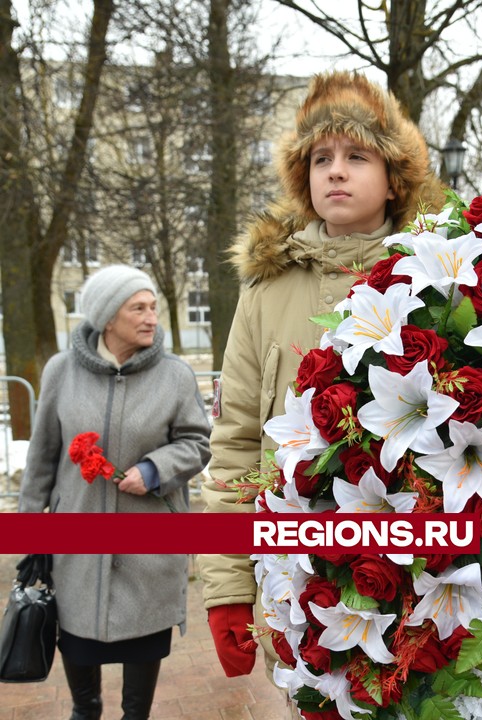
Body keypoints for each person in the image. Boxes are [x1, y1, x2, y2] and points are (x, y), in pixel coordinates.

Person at [196, 71, 441, 689]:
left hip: (422, 579)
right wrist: (226, 587)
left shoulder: (439, 271)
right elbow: (235, 442)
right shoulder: (265, 290)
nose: (336, 171)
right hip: (301, 581)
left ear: (393, 180)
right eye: (321, 158)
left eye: (357, 156)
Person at [18, 264, 212, 720]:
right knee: (82, 684)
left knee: (137, 697)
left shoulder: (174, 375)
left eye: (153, 308)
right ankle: (84, 712)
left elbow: (197, 444)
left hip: (149, 555)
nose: (150, 318)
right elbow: (41, 459)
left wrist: (155, 468)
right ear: (107, 318)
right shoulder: (61, 372)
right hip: (76, 557)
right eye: (137, 308)